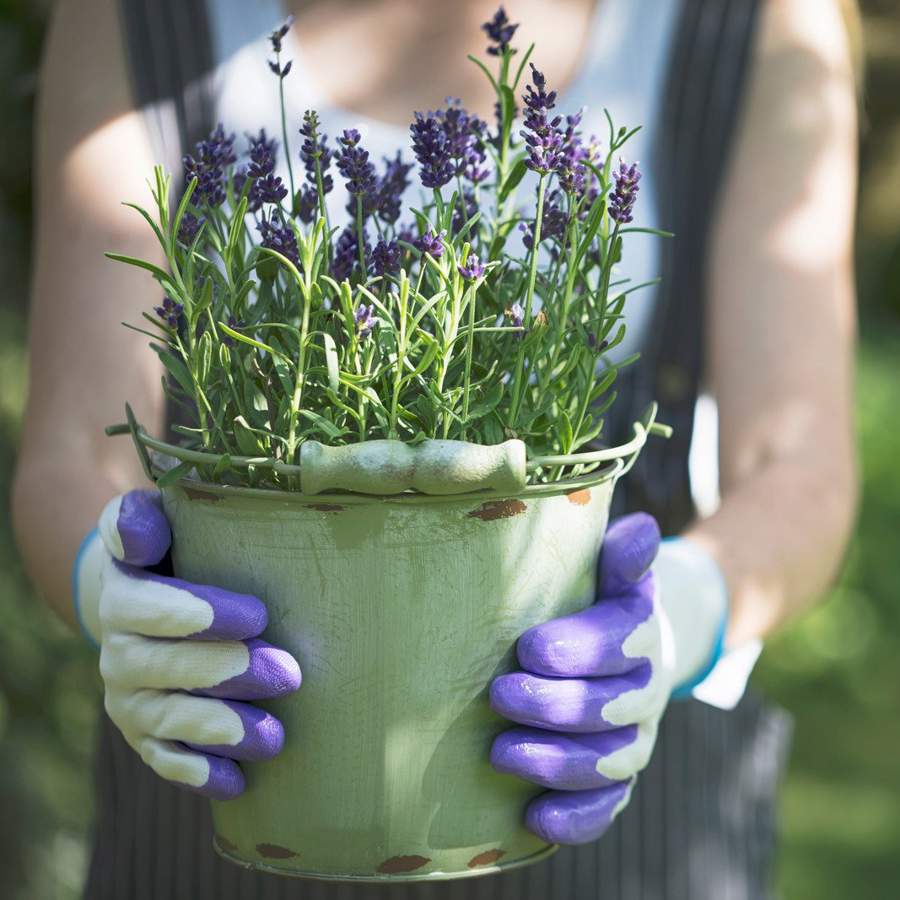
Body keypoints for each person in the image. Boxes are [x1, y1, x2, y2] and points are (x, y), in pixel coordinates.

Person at [12, 0, 859, 897]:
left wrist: (683, 615)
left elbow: (798, 464)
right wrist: (114, 592)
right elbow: (73, 447)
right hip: (229, 767)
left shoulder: (749, 21)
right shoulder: (138, 18)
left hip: (599, 802)